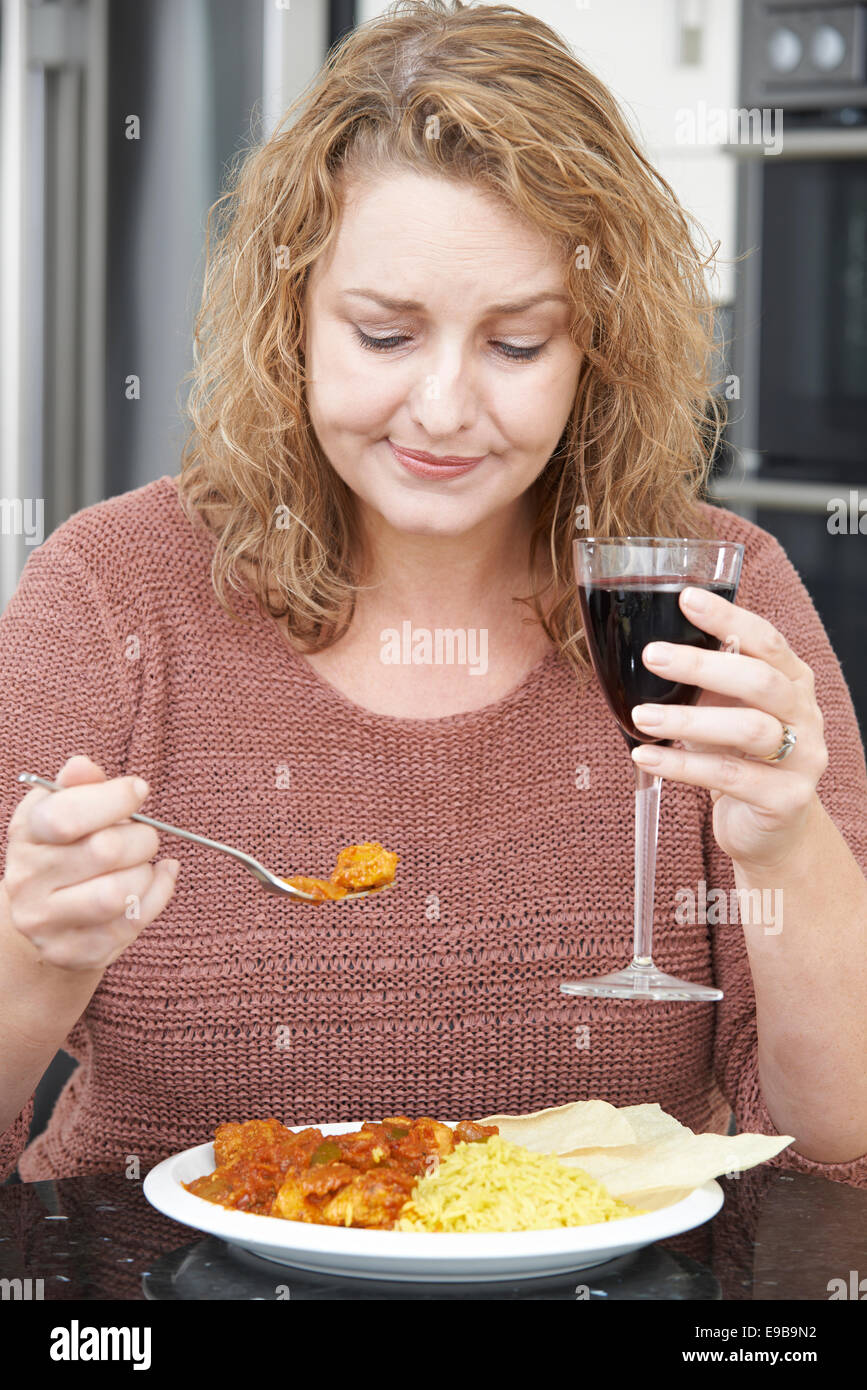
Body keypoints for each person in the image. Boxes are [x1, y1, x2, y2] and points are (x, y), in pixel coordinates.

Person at [1, 0, 865, 1192]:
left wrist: (787, 848)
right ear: (291, 321)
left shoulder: (716, 597)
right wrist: (34, 951)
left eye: (517, 345)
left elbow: (834, 1152)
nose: (447, 408)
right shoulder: (108, 595)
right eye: (385, 333)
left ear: (596, 350)